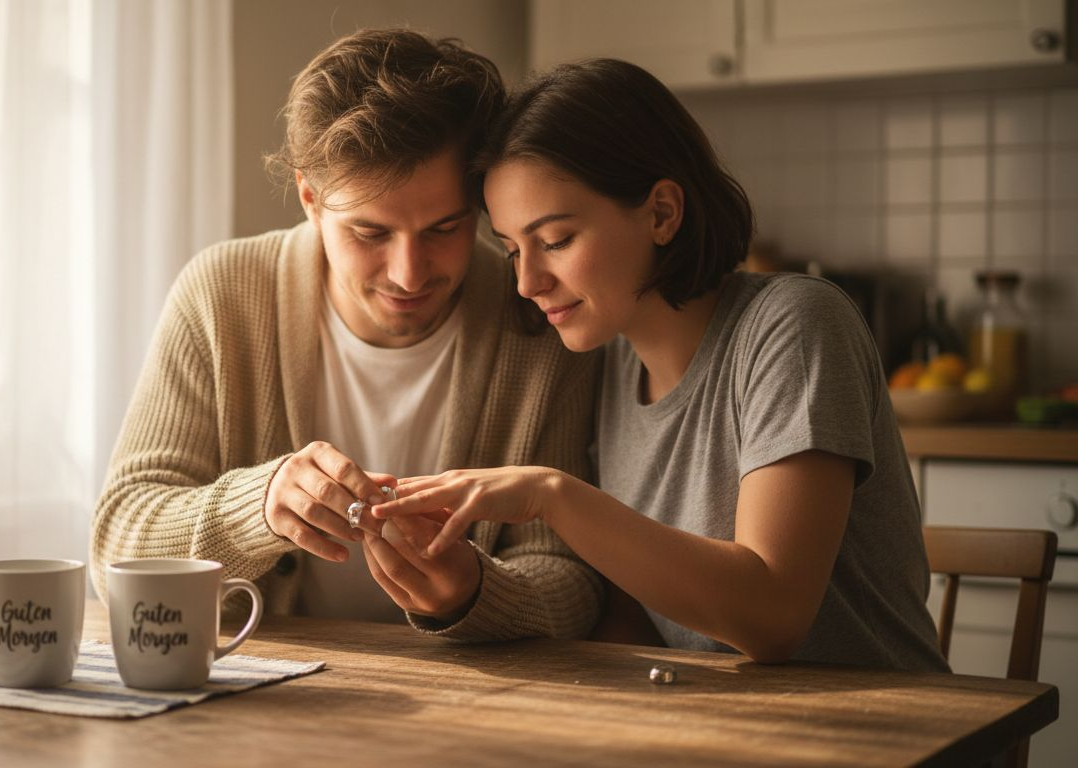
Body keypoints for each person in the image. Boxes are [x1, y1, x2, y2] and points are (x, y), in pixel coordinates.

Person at [374, 59, 950, 670]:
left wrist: (551, 495)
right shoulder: (612, 364)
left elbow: (775, 617)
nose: (527, 282)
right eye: (513, 249)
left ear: (662, 213)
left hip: (886, 735)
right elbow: (635, 614)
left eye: (557, 240)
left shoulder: (795, 324)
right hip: (730, 728)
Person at [90, 29, 602, 641]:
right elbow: (116, 542)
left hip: (472, 700)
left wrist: (473, 592)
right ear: (310, 198)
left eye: (445, 227)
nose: (409, 274)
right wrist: (261, 506)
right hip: (264, 699)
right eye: (371, 233)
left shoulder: (540, 316)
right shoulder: (221, 295)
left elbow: (575, 580)